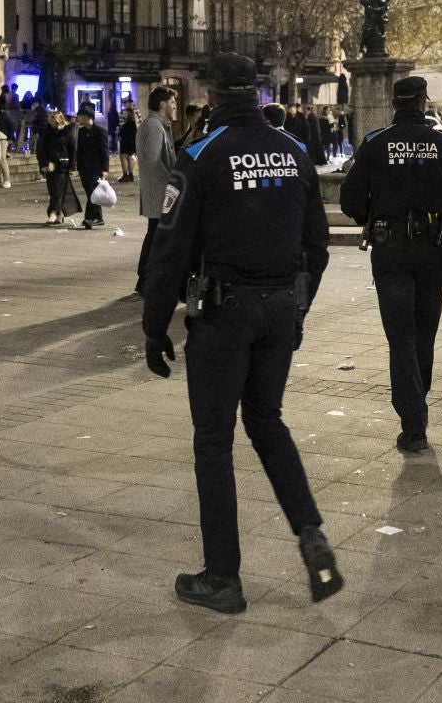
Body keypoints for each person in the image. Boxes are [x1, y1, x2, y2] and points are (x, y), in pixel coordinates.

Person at [139, 53, 342, 615]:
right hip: (279, 307)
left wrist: (155, 327)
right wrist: (297, 308)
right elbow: (317, 246)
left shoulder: (201, 156)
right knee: (267, 421)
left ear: (212, 93)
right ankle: (309, 533)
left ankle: (223, 577)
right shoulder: (294, 151)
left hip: (225, 315)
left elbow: (169, 250)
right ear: (255, 90)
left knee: (213, 440)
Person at [339, 75, 442, 453]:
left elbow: (349, 201)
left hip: (390, 251)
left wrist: (376, 216)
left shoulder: (375, 143)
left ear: (394, 102)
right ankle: (418, 401)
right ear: (423, 101)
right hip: (433, 252)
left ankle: (413, 420)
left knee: (399, 336)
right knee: (424, 331)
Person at [135, 85, 179, 293]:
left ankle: (145, 279)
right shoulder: (153, 126)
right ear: (162, 105)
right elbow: (153, 161)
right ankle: (146, 280)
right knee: (155, 236)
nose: (175, 105)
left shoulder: (157, 124)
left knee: (155, 234)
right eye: (172, 102)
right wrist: (172, 183)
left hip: (158, 191)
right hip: (159, 192)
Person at [37, 108, 78, 225]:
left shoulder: (67, 131)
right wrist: (43, 164)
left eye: (51, 120)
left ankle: (53, 212)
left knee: (58, 190)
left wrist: (72, 166)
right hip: (50, 164)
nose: (49, 122)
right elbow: (41, 149)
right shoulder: (46, 132)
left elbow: (72, 149)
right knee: (52, 189)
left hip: (63, 164)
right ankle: (59, 213)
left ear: (57, 120)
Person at [76, 107, 111, 228]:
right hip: (84, 168)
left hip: (96, 168)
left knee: (93, 193)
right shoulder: (81, 132)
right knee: (90, 193)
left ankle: (89, 218)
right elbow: (79, 150)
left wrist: (105, 169)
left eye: (80, 116)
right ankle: (98, 217)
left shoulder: (100, 131)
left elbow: (104, 151)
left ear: (87, 117)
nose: (78, 118)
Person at [117, 101, 139, 181]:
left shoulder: (123, 112)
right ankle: (131, 175)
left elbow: (121, 124)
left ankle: (125, 175)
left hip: (125, 137)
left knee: (123, 156)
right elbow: (140, 123)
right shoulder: (137, 112)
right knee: (131, 156)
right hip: (134, 137)